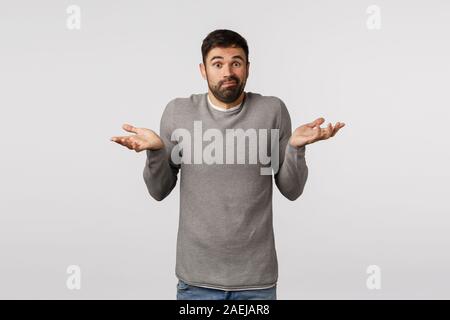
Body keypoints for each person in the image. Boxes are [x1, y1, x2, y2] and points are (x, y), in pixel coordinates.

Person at [111, 29, 345, 300]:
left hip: (256, 282)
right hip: (196, 280)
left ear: (248, 68)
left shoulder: (272, 111)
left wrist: (296, 148)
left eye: (236, 62)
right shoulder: (178, 112)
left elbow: (291, 190)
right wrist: (156, 152)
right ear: (203, 70)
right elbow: (159, 191)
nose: (227, 72)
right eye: (217, 63)